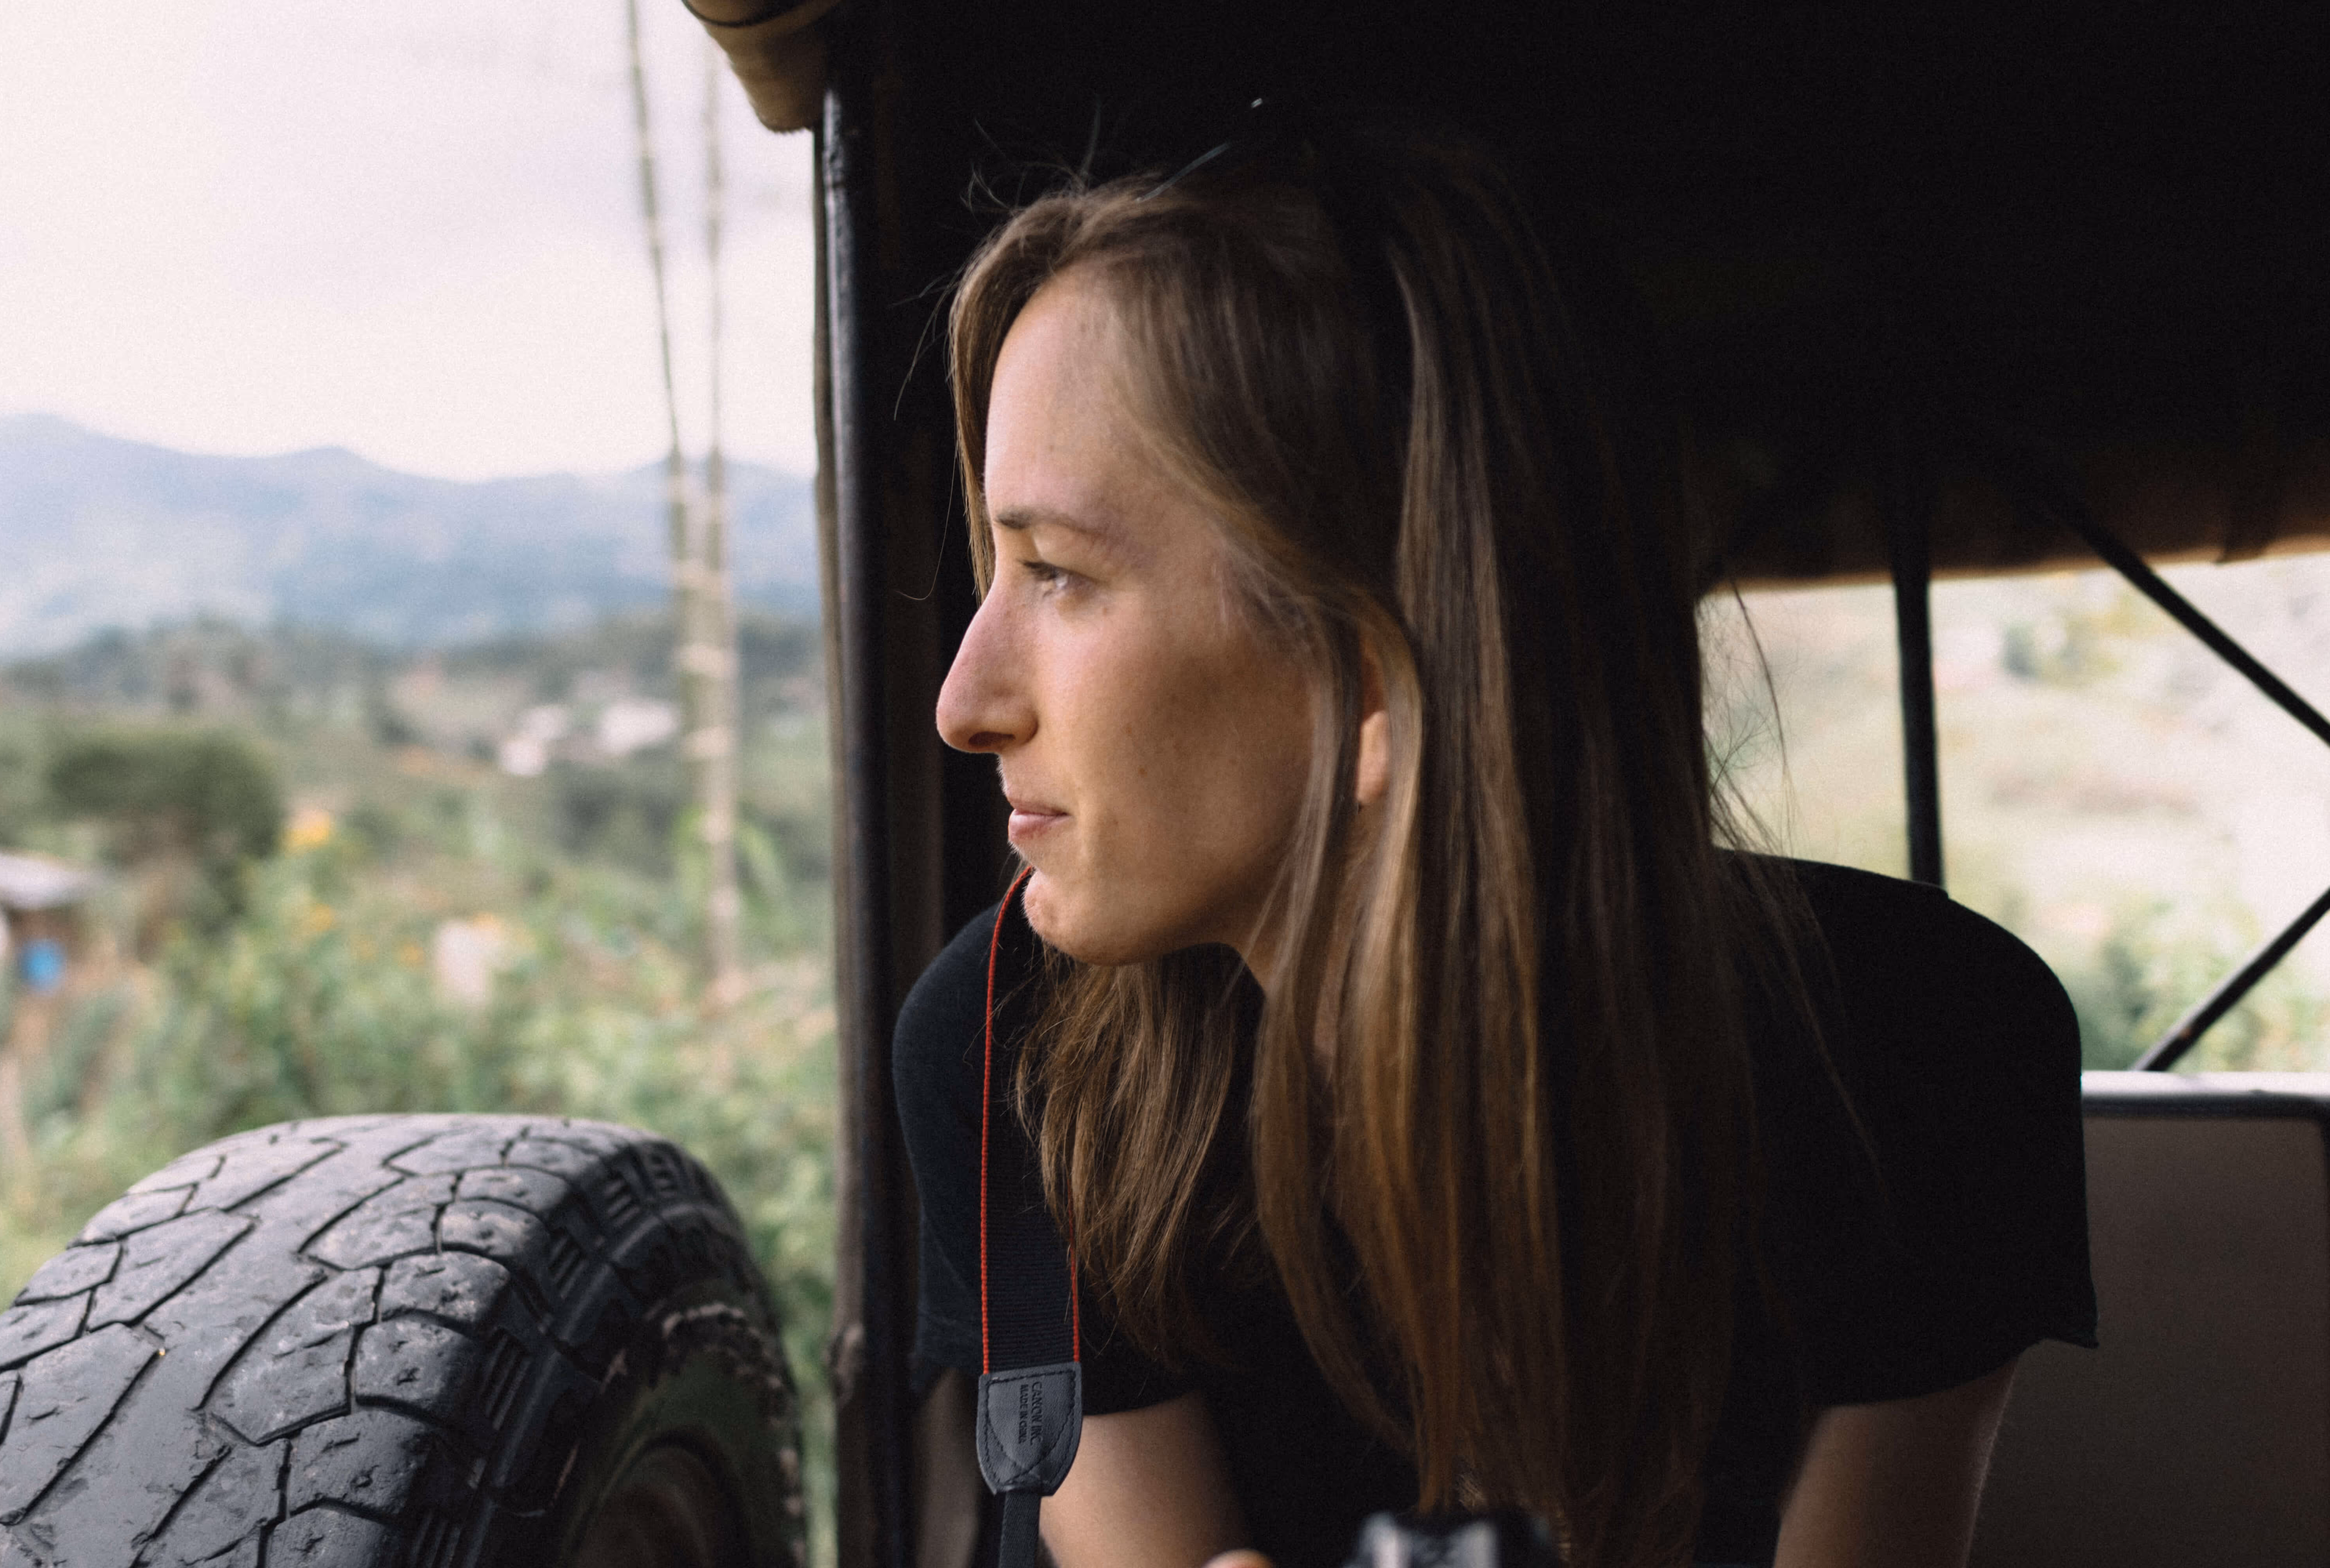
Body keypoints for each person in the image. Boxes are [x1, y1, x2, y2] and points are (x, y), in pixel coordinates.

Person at [895, 117, 2095, 1568]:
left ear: (1376, 674)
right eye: (993, 566)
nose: (966, 703)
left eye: (1060, 575)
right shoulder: (1010, 1047)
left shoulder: (1922, 1055)